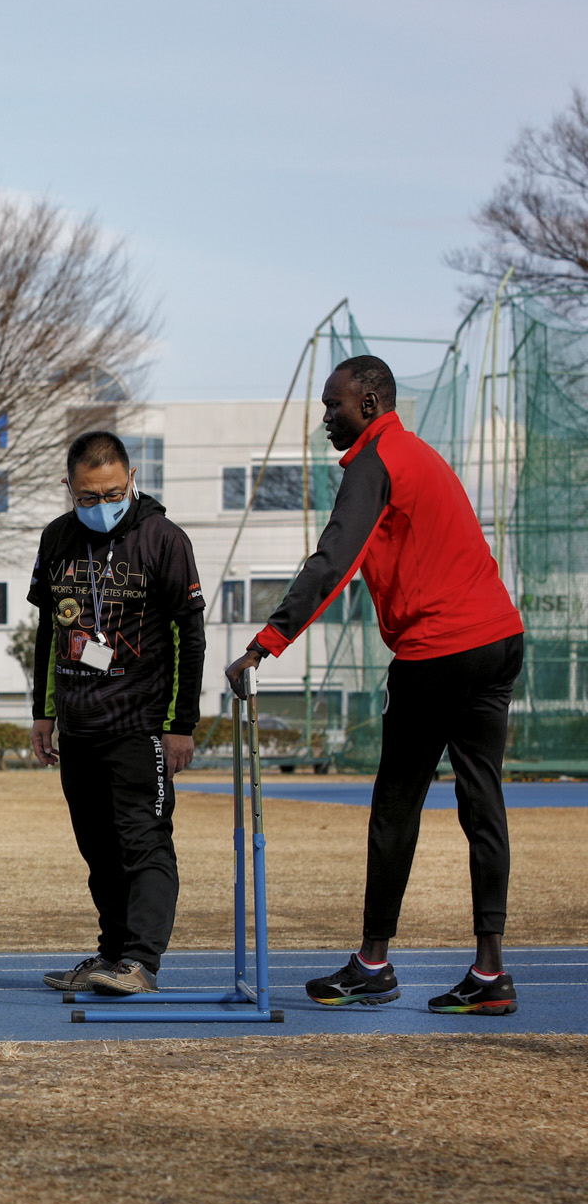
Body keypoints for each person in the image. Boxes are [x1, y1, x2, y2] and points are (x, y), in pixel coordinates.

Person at [226, 355, 525, 1015]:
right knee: (484, 804)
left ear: (369, 401)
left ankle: (373, 963)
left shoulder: (375, 460)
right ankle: (491, 971)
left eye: (334, 404)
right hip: (499, 637)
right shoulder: (421, 455)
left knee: (395, 806)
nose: (327, 416)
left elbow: (335, 556)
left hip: (441, 649)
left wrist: (265, 643)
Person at [29, 430, 206, 997]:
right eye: (86, 496)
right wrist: (44, 712)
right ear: (69, 489)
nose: (100, 506)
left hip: (141, 724)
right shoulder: (56, 539)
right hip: (79, 725)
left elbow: (190, 637)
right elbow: (47, 634)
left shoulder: (164, 540)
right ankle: (110, 955)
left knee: (144, 840)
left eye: (110, 493)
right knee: (98, 847)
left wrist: (181, 725)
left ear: (131, 481)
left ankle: (141, 961)